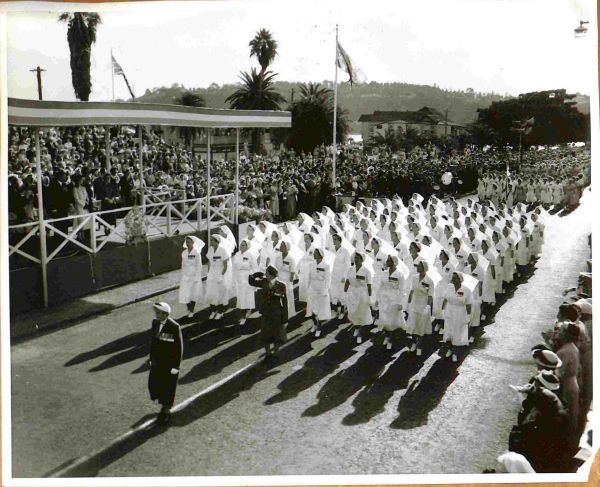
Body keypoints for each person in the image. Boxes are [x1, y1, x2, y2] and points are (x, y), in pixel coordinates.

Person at [148, 302, 183, 425]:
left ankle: (166, 411)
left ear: (165, 314)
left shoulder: (174, 327)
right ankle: (163, 405)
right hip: (158, 362)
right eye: (156, 312)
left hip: (169, 364)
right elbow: (153, 342)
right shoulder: (155, 323)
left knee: (168, 388)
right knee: (156, 384)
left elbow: (179, 348)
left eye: (158, 313)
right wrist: (151, 358)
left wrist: (176, 366)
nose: (156, 315)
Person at [248, 266, 288, 361]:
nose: (265, 274)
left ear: (271, 275)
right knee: (265, 335)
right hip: (266, 313)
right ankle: (268, 354)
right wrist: (254, 275)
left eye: (267, 273)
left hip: (276, 313)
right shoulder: (264, 282)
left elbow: (285, 302)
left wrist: (285, 317)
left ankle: (276, 353)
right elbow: (251, 282)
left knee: (276, 335)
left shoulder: (281, 285)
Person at [344, 251, 375, 344]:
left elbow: (369, 286)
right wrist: (345, 294)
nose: (356, 259)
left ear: (362, 260)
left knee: (361, 314)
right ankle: (356, 327)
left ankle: (360, 334)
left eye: (357, 258)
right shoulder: (350, 269)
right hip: (352, 293)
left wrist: (370, 298)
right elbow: (347, 282)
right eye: (355, 258)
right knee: (353, 313)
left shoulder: (367, 271)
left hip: (362, 295)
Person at [306, 247, 334, 337]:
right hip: (312, 289)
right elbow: (309, 277)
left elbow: (328, 279)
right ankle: (315, 323)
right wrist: (308, 287)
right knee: (312, 309)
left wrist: (325, 290)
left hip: (321, 289)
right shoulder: (311, 264)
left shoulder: (326, 266)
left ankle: (318, 327)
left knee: (320, 311)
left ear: (320, 255)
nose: (313, 254)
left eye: (315, 253)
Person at [232, 239, 260, 325]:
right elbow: (234, 268)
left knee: (247, 299)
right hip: (239, 279)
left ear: (247, 246)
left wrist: (252, 279)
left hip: (247, 279)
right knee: (241, 299)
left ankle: (244, 316)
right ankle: (244, 314)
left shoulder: (250, 255)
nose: (241, 246)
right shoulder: (237, 254)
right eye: (241, 245)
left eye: (243, 245)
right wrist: (234, 279)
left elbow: (255, 268)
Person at [206, 234, 233, 320]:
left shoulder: (223, 250)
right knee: (211, 293)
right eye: (211, 240)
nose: (211, 242)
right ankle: (214, 311)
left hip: (220, 274)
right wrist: (208, 273)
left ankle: (220, 312)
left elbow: (225, 265)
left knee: (220, 294)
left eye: (212, 240)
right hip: (212, 274)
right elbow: (209, 262)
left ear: (217, 241)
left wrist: (221, 275)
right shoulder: (210, 249)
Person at [178, 236, 204, 318]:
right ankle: (189, 308)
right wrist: (182, 275)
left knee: (193, 294)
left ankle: (191, 310)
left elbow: (199, 266)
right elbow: (183, 265)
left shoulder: (196, 253)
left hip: (194, 277)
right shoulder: (184, 253)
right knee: (185, 294)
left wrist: (197, 278)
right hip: (185, 277)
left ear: (193, 243)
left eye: (189, 242)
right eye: (186, 242)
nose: (187, 244)